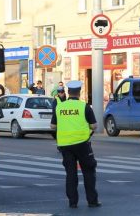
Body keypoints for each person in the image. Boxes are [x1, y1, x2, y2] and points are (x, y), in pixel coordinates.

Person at [50, 80, 100, 208]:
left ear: (68, 92)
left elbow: (52, 126)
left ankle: (72, 202)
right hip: (82, 144)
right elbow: (94, 126)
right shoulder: (84, 107)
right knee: (89, 171)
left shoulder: (59, 107)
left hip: (65, 145)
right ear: (79, 92)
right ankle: (92, 201)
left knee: (71, 174)